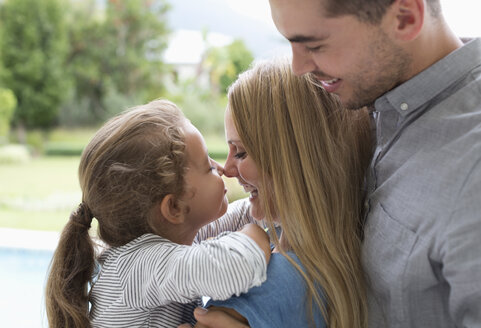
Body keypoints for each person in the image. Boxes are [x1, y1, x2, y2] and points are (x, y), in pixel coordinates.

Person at [194, 0, 481, 327]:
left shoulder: (470, 169)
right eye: (291, 43)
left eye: (315, 45)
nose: (298, 67)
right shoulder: (365, 106)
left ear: (404, 17)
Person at [45, 99, 272, 328]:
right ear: (174, 208)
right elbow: (238, 266)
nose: (222, 168)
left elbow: (240, 215)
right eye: (208, 166)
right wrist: (253, 234)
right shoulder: (140, 266)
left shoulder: (170, 238)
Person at [181, 58, 373, 328]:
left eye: (241, 152)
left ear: (293, 161)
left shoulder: (264, 283)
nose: (227, 169)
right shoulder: (342, 265)